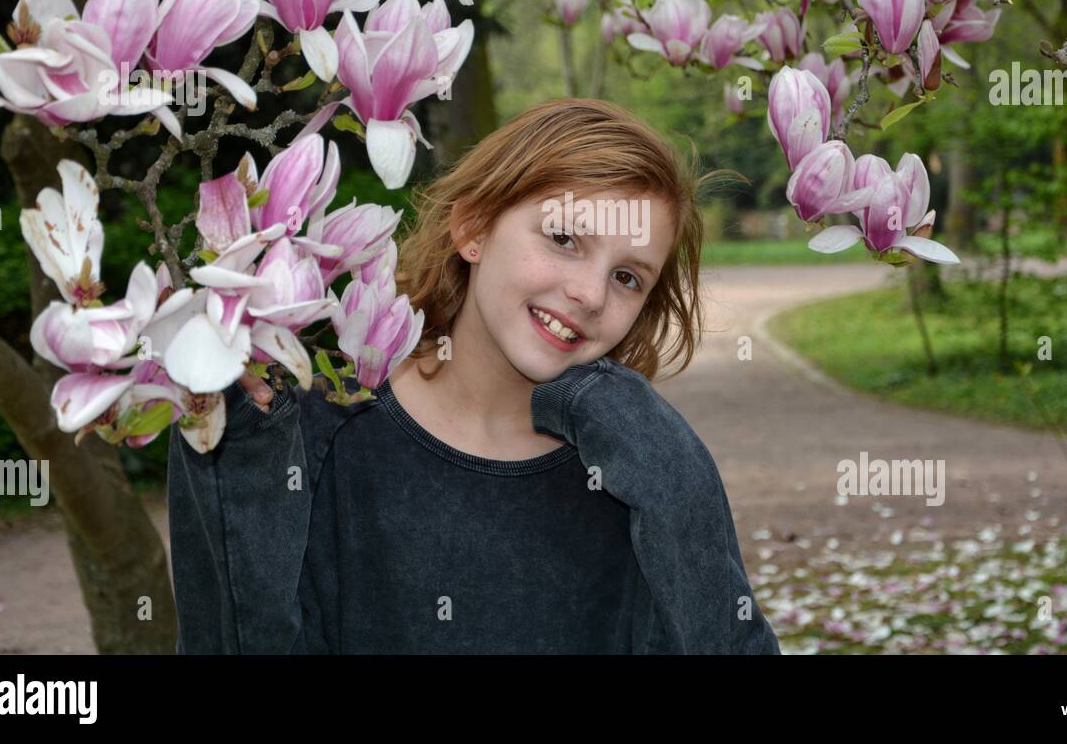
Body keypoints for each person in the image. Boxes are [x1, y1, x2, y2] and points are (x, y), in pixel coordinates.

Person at [168, 97, 782, 654]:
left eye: (628, 277)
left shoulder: (632, 461)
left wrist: (665, 463)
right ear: (474, 228)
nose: (590, 293)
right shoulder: (311, 422)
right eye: (564, 238)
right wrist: (242, 447)